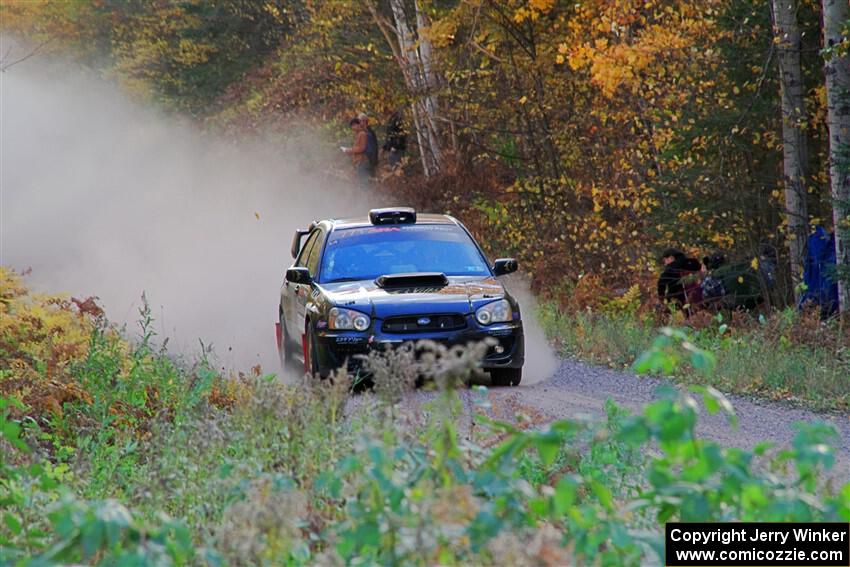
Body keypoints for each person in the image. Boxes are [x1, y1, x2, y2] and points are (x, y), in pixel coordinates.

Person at [343, 117, 371, 183]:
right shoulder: (358, 134)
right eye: (352, 126)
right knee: (361, 182)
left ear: (358, 125)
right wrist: (350, 150)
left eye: (354, 125)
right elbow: (358, 148)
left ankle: (365, 193)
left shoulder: (362, 134)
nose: (353, 127)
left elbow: (362, 148)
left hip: (362, 162)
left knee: (363, 183)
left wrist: (350, 150)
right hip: (359, 162)